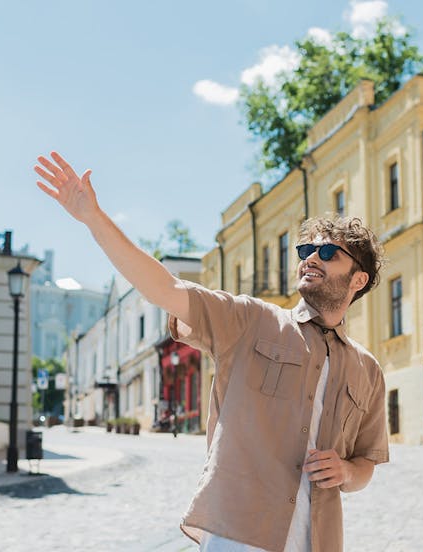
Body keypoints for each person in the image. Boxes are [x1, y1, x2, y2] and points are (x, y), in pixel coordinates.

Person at [34, 152, 389, 552]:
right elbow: (165, 289)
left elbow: (365, 464)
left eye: (327, 253)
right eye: (306, 249)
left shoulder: (368, 370)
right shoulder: (250, 320)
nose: (310, 257)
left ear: (358, 279)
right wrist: (93, 218)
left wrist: (345, 472)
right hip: (237, 535)